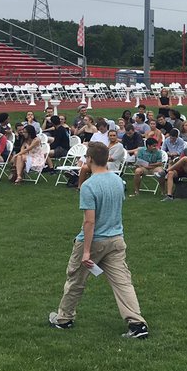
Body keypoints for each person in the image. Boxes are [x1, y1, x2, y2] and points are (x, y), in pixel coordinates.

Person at [49, 141, 148, 340]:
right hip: (116, 239)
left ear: (90, 159)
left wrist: (86, 251)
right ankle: (137, 324)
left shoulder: (89, 185)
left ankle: (64, 318)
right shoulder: (118, 181)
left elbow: (89, 222)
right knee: (122, 282)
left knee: (76, 279)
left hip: (95, 241)